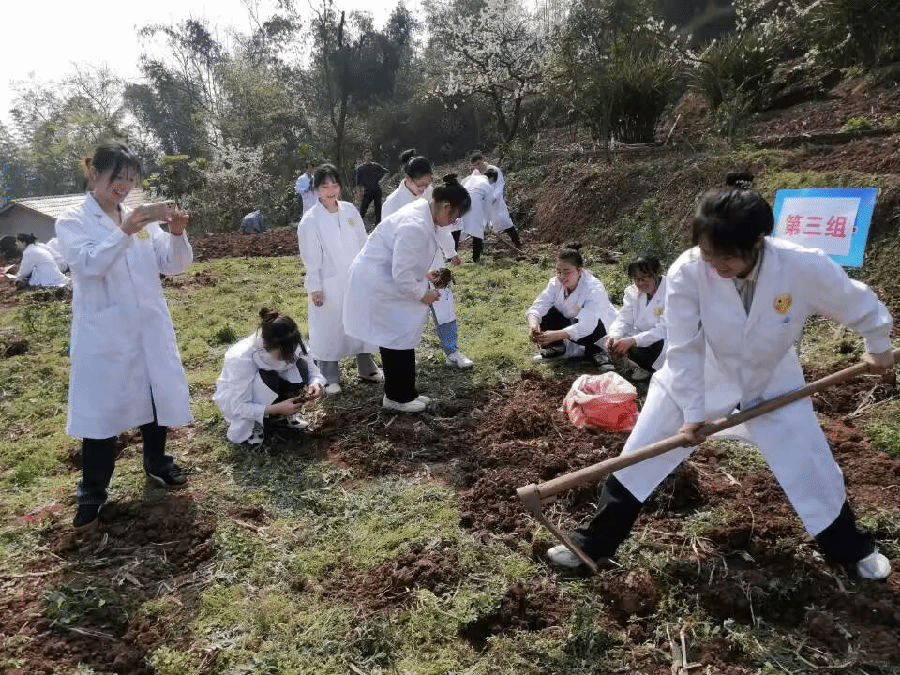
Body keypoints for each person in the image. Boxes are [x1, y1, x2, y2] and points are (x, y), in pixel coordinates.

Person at [547, 174, 895, 581]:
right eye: (707, 253)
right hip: (698, 374)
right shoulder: (690, 270)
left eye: (724, 257)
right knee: (639, 456)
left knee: (810, 463)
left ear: (757, 242)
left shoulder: (801, 265)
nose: (714, 264)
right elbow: (684, 347)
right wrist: (694, 413)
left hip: (772, 379)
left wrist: (878, 343)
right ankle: (591, 546)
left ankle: (852, 550)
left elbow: (857, 302)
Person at [54, 141, 194, 530]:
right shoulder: (72, 221)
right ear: (94, 173)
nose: (125, 186)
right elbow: (88, 265)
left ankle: (157, 462)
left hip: (148, 326)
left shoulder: (140, 218)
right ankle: (92, 493)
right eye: (118, 177)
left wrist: (177, 234)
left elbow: (174, 265)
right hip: (106, 333)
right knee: (102, 413)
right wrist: (126, 231)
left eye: (131, 179)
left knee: (155, 395)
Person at [343, 174, 472, 413]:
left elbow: (406, 259)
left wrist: (426, 274)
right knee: (396, 339)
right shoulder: (416, 225)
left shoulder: (424, 212)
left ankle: (405, 392)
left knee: (400, 338)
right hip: (379, 284)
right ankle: (397, 397)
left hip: (385, 279)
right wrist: (424, 294)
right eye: (454, 216)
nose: (453, 222)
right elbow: (402, 273)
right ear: (445, 206)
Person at [383, 149, 474, 369]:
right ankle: (404, 355)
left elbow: (441, 227)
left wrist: (450, 252)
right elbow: (389, 240)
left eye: (427, 184)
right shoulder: (392, 203)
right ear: (407, 179)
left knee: (444, 305)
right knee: (406, 310)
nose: (423, 189)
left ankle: (452, 351)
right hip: (406, 265)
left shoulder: (431, 194)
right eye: (420, 185)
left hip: (433, 261)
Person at [298, 163, 383, 395]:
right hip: (329, 283)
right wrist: (315, 287)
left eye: (335, 184)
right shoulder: (310, 221)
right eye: (325, 186)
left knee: (360, 320)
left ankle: (366, 366)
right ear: (316, 189)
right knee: (329, 326)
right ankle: (329, 375)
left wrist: (370, 271)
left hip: (355, 277)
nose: (331, 190)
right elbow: (310, 258)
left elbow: (363, 242)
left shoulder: (350, 211)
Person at [213, 308, 325, 447]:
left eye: (291, 352)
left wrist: (316, 383)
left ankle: (281, 415)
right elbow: (236, 406)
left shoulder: (290, 340)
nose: (287, 359)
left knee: (301, 367)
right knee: (268, 377)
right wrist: (275, 408)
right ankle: (256, 423)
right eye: (281, 355)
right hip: (244, 400)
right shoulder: (239, 358)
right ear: (267, 347)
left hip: (272, 390)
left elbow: (312, 370)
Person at [525, 244, 618, 370]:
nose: (562, 276)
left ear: (579, 270)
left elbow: (588, 325)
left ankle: (598, 352)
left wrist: (557, 334)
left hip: (596, 329)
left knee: (596, 322)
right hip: (573, 322)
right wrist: (533, 325)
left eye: (567, 272)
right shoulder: (555, 283)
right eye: (558, 271)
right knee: (548, 311)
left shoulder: (593, 288)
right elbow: (540, 304)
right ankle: (558, 348)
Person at [605, 255, 667, 381]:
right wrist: (615, 336)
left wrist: (633, 340)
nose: (639, 283)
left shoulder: (672, 291)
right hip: (642, 335)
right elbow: (624, 319)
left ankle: (651, 369)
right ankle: (642, 366)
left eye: (644, 278)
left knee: (657, 346)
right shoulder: (632, 291)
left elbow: (664, 329)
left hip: (665, 339)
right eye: (636, 279)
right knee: (616, 340)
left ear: (656, 274)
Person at [471, 152, 522, 249]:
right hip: (483, 204)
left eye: (478, 164)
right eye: (475, 165)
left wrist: (493, 198)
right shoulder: (475, 174)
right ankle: (481, 249)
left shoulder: (494, 170)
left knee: (504, 221)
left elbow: (500, 185)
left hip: (496, 203)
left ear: (483, 160)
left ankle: (517, 243)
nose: (477, 167)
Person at [460, 169, 495, 263]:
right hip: (473, 205)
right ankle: (476, 259)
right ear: (491, 179)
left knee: (460, 228)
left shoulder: (472, 179)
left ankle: (451, 256)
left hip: (462, 204)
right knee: (478, 231)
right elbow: (488, 205)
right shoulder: (487, 184)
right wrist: (488, 222)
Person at [355, 150, 389, 224]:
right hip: (367, 191)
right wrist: (359, 194)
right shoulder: (360, 168)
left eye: (370, 155)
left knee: (378, 210)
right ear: (364, 157)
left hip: (377, 190)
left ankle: (378, 226)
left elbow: (386, 173)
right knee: (362, 210)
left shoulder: (376, 166)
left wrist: (382, 181)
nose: (368, 157)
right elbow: (358, 184)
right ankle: (358, 225)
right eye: (367, 155)